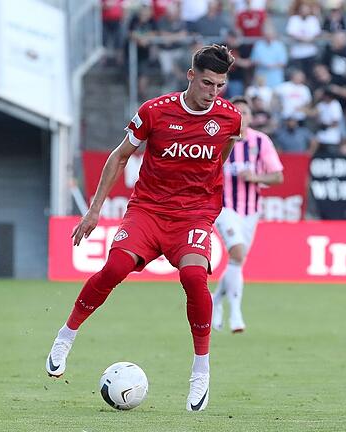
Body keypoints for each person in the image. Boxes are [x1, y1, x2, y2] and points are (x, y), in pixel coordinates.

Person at [45, 45, 242, 412]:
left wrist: (204, 196)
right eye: (206, 83)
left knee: (194, 278)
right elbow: (119, 156)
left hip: (194, 215)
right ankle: (66, 335)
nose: (213, 91)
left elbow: (221, 154)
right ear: (190, 76)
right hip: (148, 210)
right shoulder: (154, 112)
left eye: (220, 84)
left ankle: (201, 369)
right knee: (115, 268)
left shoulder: (230, 118)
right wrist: (94, 210)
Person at [212, 97, 284, 333]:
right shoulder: (219, 140)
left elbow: (277, 176)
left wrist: (256, 177)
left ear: (252, 117)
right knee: (238, 252)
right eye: (237, 112)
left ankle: (215, 301)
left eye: (245, 113)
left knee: (237, 260)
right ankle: (236, 313)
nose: (241, 117)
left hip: (251, 211)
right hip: (224, 208)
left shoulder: (260, 142)